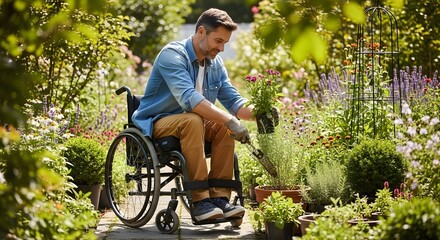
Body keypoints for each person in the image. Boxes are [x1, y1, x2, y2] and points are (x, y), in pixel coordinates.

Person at [132, 8, 253, 222]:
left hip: (191, 124)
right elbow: (189, 99)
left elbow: (233, 101)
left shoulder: (215, 64)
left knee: (223, 126)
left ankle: (220, 199)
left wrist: (260, 113)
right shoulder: (173, 55)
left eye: (225, 42)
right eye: (218, 41)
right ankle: (200, 200)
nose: (222, 48)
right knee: (197, 119)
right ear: (200, 32)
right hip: (157, 123)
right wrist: (230, 119)